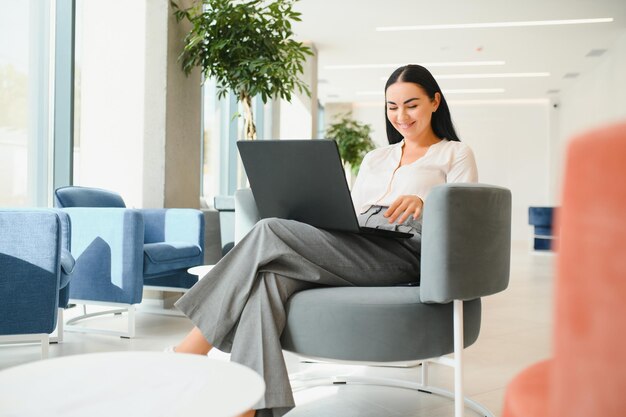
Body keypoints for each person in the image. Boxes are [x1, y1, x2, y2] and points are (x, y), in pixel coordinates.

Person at [171, 64, 478, 417]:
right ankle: (250, 407)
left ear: (435, 102)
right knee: (269, 279)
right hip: (359, 238)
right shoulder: (376, 158)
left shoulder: (455, 153)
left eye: (411, 105)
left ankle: (190, 350)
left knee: (269, 229)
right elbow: (354, 211)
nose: (401, 115)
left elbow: (464, 219)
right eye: (392, 107)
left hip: (407, 248)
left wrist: (426, 204)